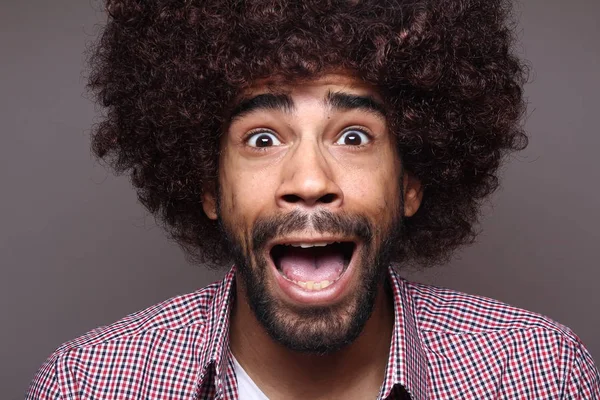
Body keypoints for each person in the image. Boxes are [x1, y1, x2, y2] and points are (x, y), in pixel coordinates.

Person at [27, 0, 599, 399]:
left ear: (409, 184)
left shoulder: (537, 373)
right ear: (209, 187)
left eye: (353, 136)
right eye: (262, 138)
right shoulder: (88, 384)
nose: (308, 179)